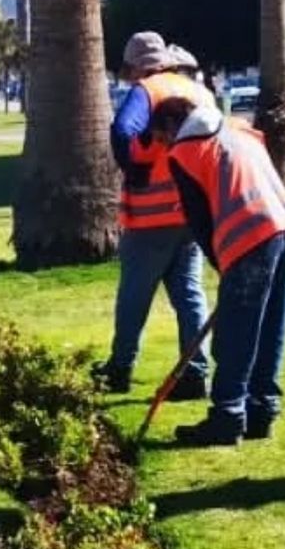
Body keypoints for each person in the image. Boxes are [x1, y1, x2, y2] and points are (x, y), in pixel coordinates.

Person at [150, 96, 285, 447]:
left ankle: (227, 416)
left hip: (248, 235)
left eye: (161, 138)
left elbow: (199, 221)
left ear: (173, 126)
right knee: (270, 325)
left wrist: (225, 267)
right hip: (284, 226)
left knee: (236, 332)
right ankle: (261, 410)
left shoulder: (186, 151)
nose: (163, 148)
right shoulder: (238, 129)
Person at [92, 31, 215, 396]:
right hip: (191, 214)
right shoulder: (199, 91)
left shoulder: (147, 91)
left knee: (134, 295)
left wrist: (134, 167)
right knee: (189, 293)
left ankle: (119, 368)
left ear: (135, 67)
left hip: (150, 217)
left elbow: (122, 130)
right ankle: (195, 372)